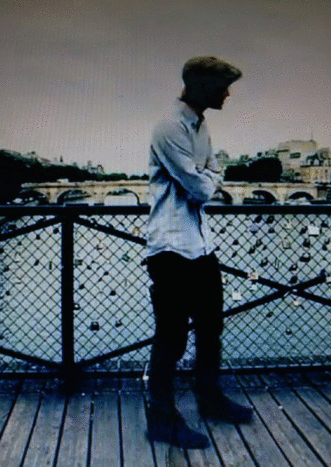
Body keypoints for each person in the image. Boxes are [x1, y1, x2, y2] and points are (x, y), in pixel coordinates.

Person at [144, 56, 253, 449]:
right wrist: (206, 174)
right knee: (171, 339)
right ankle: (162, 420)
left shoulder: (201, 126)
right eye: (223, 86)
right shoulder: (169, 126)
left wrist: (206, 173)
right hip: (171, 247)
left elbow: (212, 172)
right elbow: (202, 187)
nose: (228, 94)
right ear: (203, 87)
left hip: (200, 245)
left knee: (211, 330)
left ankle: (210, 399)